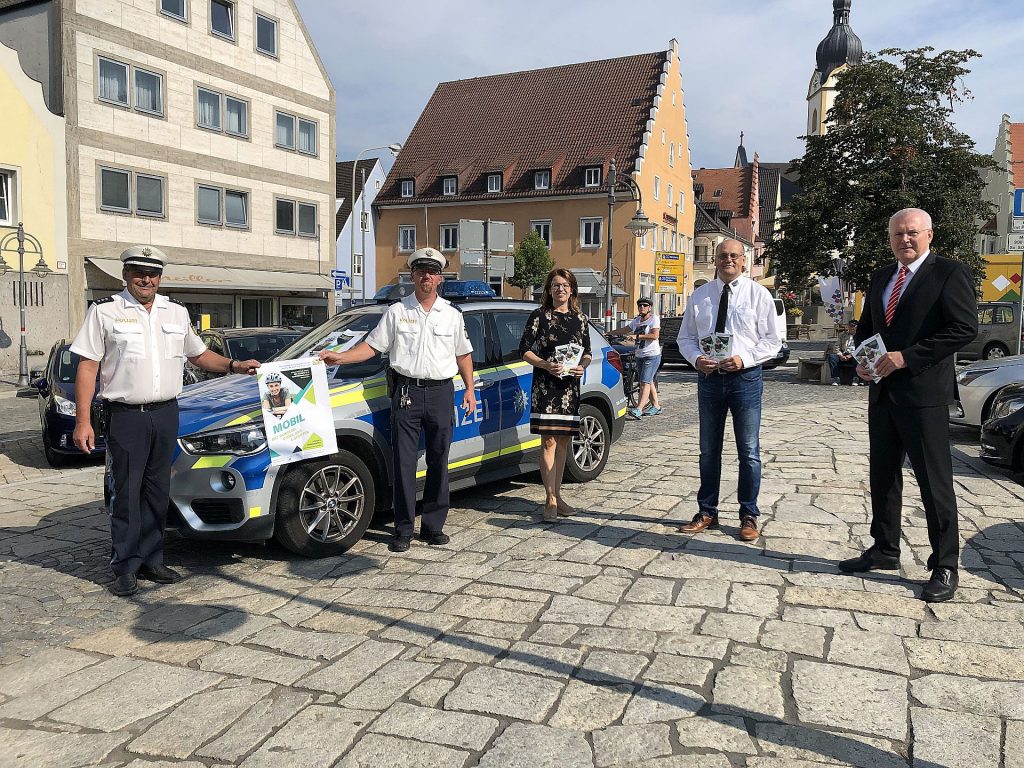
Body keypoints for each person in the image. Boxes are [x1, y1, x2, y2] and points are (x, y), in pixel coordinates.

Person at [71, 246, 260, 597]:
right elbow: (87, 366)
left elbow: (199, 354)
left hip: (166, 413)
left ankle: (153, 560)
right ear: (125, 274)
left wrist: (234, 366)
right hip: (126, 417)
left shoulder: (175, 313)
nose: (147, 279)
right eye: (139, 272)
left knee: (158, 491)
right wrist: (83, 421)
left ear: (160, 277)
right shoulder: (105, 313)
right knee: (126, 492)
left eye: (153, 273)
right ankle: (126, 565)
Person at [839, 208, 977, 603]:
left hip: (924, 395)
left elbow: (963, 328)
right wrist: (862, 363)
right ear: (890, 238)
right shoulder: (882, 276)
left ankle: (945, 564)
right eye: (898, 234)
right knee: (883, 475)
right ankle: (884, 548)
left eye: (912, 233)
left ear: (929, 235)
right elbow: (868, 328)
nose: (905, 240)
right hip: (882, 393)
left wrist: (907, 356)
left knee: (934, 482)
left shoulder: (949, 273)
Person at [319, 247, 474, 552]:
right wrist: (341, 357)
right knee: (403, 463)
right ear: (412, 276)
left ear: (439, 278)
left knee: (439, 460)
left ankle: (432, 526)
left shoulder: (452, 315)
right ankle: (403, 529)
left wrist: (469, 388)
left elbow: (463, 354)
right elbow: (372, 348)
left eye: (431, 272)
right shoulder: (397, 312)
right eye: (420, 271)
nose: (426, 276)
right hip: (407, 393)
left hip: (442, 392)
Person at [677, 239, 781, 542]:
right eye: (723, 256)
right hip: (710, 379)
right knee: (708, 450)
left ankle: (749, 514)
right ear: (715, 260)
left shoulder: (759, 294)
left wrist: (744, 358)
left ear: (744, 261)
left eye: (735, 256)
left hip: (745, 379)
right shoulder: (700, 296)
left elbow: (772, 341)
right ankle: (707, 511)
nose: (729, 260)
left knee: (748, 451)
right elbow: (686, 338)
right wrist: (697, 359)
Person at [519, 269, 593, 522]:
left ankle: (558, 496)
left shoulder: (580, 319)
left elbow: (588, 352)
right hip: (546, 385)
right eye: (554, 285)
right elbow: (524, 350)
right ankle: (549, 497)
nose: (559, 289)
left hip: (570, 387)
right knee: (548, 441)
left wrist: (583, 364)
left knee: (563, 442)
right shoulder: (540, 316)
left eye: (564, 285)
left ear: (572, 289)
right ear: (549, 290)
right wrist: (545, 365)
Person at [611, 297, 662, 418]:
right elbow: (625, 329)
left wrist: (637, 336)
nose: (642, 308)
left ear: (649, 308)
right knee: (648, 381)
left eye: (645, 305)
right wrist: (609, 333)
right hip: (639, 355)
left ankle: (638, 408)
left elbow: (655, 335)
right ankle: (656, 406)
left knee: (644, 382)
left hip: (652, 355)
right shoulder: (637, 320)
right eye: (640, 306)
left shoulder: (654, 319)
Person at [827, 319, 861, 386]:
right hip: (844, 353)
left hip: (854, 354)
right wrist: (840, 355)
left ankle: (855, 378)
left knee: (858, 357)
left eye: (853, 326)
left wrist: (851, 355)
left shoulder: (860, 336)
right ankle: (836, 378)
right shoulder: (842, 335)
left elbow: (861, 348)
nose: (851, 327)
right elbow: (836, 346)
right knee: (832, 357)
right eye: (850, 326)